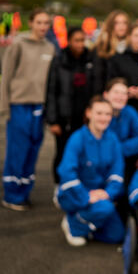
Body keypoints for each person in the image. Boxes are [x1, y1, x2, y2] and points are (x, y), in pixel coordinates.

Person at [0, 8, 55, 211]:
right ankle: (11, 194)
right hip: (20, 105)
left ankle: (24, 191)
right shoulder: (18, 45)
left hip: (39, 107)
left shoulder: (50, 48)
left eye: (46, 23)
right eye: (39, 22)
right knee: (18, 150)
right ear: (30, 22)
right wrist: (5, 106)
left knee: (33, 150)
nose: (43, 27)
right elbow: (6, 76)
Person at [57, 96, 125, 246]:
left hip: (100, 195)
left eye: (107, 114)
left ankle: (86, 224)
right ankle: (73, 224)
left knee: (116, 235)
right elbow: (66, 173)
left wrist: (108, 193)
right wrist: (86, 196)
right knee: (105, 208)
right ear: (89, 113)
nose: (104, 118)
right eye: (99, 113)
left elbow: (117, 172)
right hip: (75, 194)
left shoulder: (112, 139)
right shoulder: (77, 138)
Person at [46, 28, 95, 188]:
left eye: (83, 40)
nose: (80, 44)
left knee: (83, 154)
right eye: (77, 40)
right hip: (64, 118)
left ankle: (78, 185)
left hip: (84, 118)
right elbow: (52, 90)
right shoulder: (60, 60)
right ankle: (58, 184)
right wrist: (53, 120)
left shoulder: (90, 60)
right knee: (62, 153)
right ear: (69, 41)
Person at [103, 78, 138, 184]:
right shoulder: (101, 116)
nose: (120, 97)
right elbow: (111, 150)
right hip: (104, 166)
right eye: (116, 92)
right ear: (106, 95)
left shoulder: (129, 111)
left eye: (124, 93)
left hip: (125, 163)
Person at [92, 10, 131, 94]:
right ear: (111, 25)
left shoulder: (130, 48)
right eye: (117, 23)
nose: (122, 26)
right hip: (105, 96)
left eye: (124, 23)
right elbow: (97, 77)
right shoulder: (103, 47)